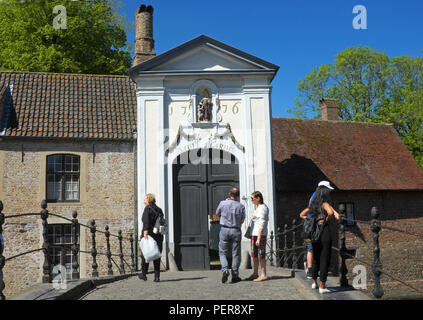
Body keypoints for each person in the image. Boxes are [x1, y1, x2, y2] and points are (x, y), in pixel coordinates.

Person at [308, 183, 340, 294]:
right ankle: (322, 286)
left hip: (314, 232)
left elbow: (302, 214)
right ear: (324, 192)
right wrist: (327, 219)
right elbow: (330, 212)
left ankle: (314, 283)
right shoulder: (324, 203)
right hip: (324, 232)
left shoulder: (313, 204)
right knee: (324, 258)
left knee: (315, 257)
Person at [299, 180, 330, 279]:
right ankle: (311, 270)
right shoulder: (320, 198)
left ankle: (310, 271)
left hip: (307, 228)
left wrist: (308, 219)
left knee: (310, 248)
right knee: (311, 248)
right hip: (313, 228)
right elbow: (329, 211)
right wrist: (325, 219)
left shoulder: (314, 197)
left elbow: (301, 214)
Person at [216, 187, 245, 284]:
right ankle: (235, 275)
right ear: (238, 196)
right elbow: (242, 220)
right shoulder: (241, 206)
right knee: (235, 254)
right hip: (236, 230)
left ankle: (225, 270)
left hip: (224, 229)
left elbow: (216, 214)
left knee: (222, 252)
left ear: (229, 194)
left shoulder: (223, 203)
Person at [139, 193, 164, 282]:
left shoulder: (147, 208)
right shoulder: (159, 209)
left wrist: (145, 234)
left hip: (149, 235)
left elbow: (146, 222)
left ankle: (143, 274)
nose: (144, 201)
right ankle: (157, 277)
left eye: (145, 199)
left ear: (149, 200)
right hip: (158, 235)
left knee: (145, 254)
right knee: (156, 256)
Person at [245, 191, 269, 282]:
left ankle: (264, 274)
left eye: (252, 198)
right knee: (254, 254)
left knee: (261, 255)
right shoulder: (258, 207)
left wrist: (258, 238)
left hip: (260, 235)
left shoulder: (262, 208)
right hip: (254, 234)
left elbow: (261, 223)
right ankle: (255, 273)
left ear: (258, 198)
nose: (251, 200)